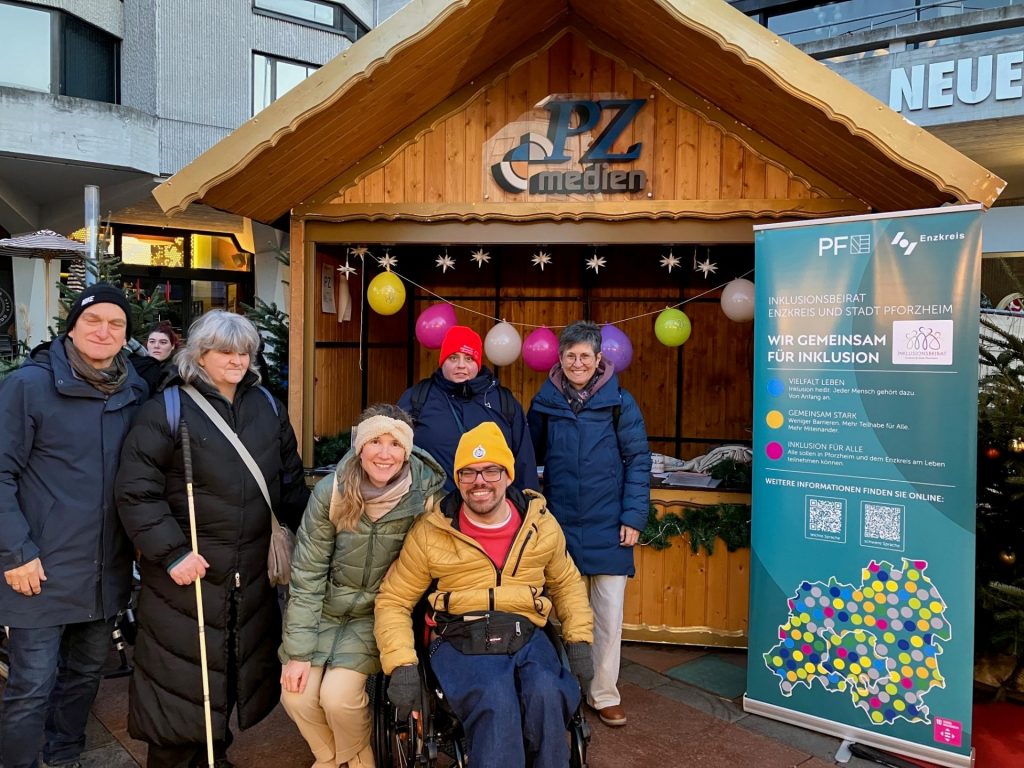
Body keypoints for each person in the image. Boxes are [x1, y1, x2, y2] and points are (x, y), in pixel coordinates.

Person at [115, 310, 310, 768]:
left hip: (248, 570)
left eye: (244, 351)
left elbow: (289, 484)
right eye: (225, 351)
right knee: (180, 675)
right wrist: (172, 551)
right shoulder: (166, 409)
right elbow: (135, 491)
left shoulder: (267, 405)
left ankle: (212, 754)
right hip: (188, 570)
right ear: (199, 354)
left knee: (228, 670)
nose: (237, 360)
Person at [375, 422, 594, 768]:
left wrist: (579, 640)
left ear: (508, 475)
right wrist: (401, 663)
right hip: (459, 634)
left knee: (547, 694)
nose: (480, 481)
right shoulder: (432, 532)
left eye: (491, 470)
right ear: (458, 479)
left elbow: (567, 584)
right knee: (495, 699)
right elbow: (394, 600)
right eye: (469, 472)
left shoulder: (540, 525)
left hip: (526, 631)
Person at [0, 282, 148, 768]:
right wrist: (16, 552)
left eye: (116, 323)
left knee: (84, 676)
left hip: (105, 568)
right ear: (72, 326)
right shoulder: (28, 386)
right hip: (38, 568)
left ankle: (63, 756)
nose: (104, 331)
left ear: (127, 334)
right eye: (93, 320)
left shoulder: (133, 390)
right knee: (30, 687)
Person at [279, 404, 446, 768]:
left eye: (395, 444)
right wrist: (298, 652)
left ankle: (354, 760)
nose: (385, 454)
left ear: (408, 450)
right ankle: (337, 758)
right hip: (325, 608)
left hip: (379, 613)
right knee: (296, 696)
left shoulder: (424, 495)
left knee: (339, 697)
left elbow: (432, 558)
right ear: (359, 446)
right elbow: (307, 575)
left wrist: (402, 569)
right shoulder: (332, 492)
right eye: (375, 442)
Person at [527, 320, 651, 728]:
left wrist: (633, 516)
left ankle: (603, 694)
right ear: (560, 360)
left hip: (610, 526)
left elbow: (638, 460)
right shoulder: (545, 401)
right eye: (570, 356)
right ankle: (565, 691)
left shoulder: (620, 401)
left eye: (585, 356)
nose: (577, 363)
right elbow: (532, 459)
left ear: (599, 359)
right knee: (564, 614)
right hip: (560, 527)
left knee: (608, 617)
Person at [398, 325, 537, 494]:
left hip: (490, 510)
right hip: (430, 510)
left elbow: (524, 464)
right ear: (442, 362)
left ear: (478, 363)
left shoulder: (504, 401)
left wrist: (527, 508)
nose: (461, 365)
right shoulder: (418, 398)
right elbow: (394, 453)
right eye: (453, 358)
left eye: (469, 358)